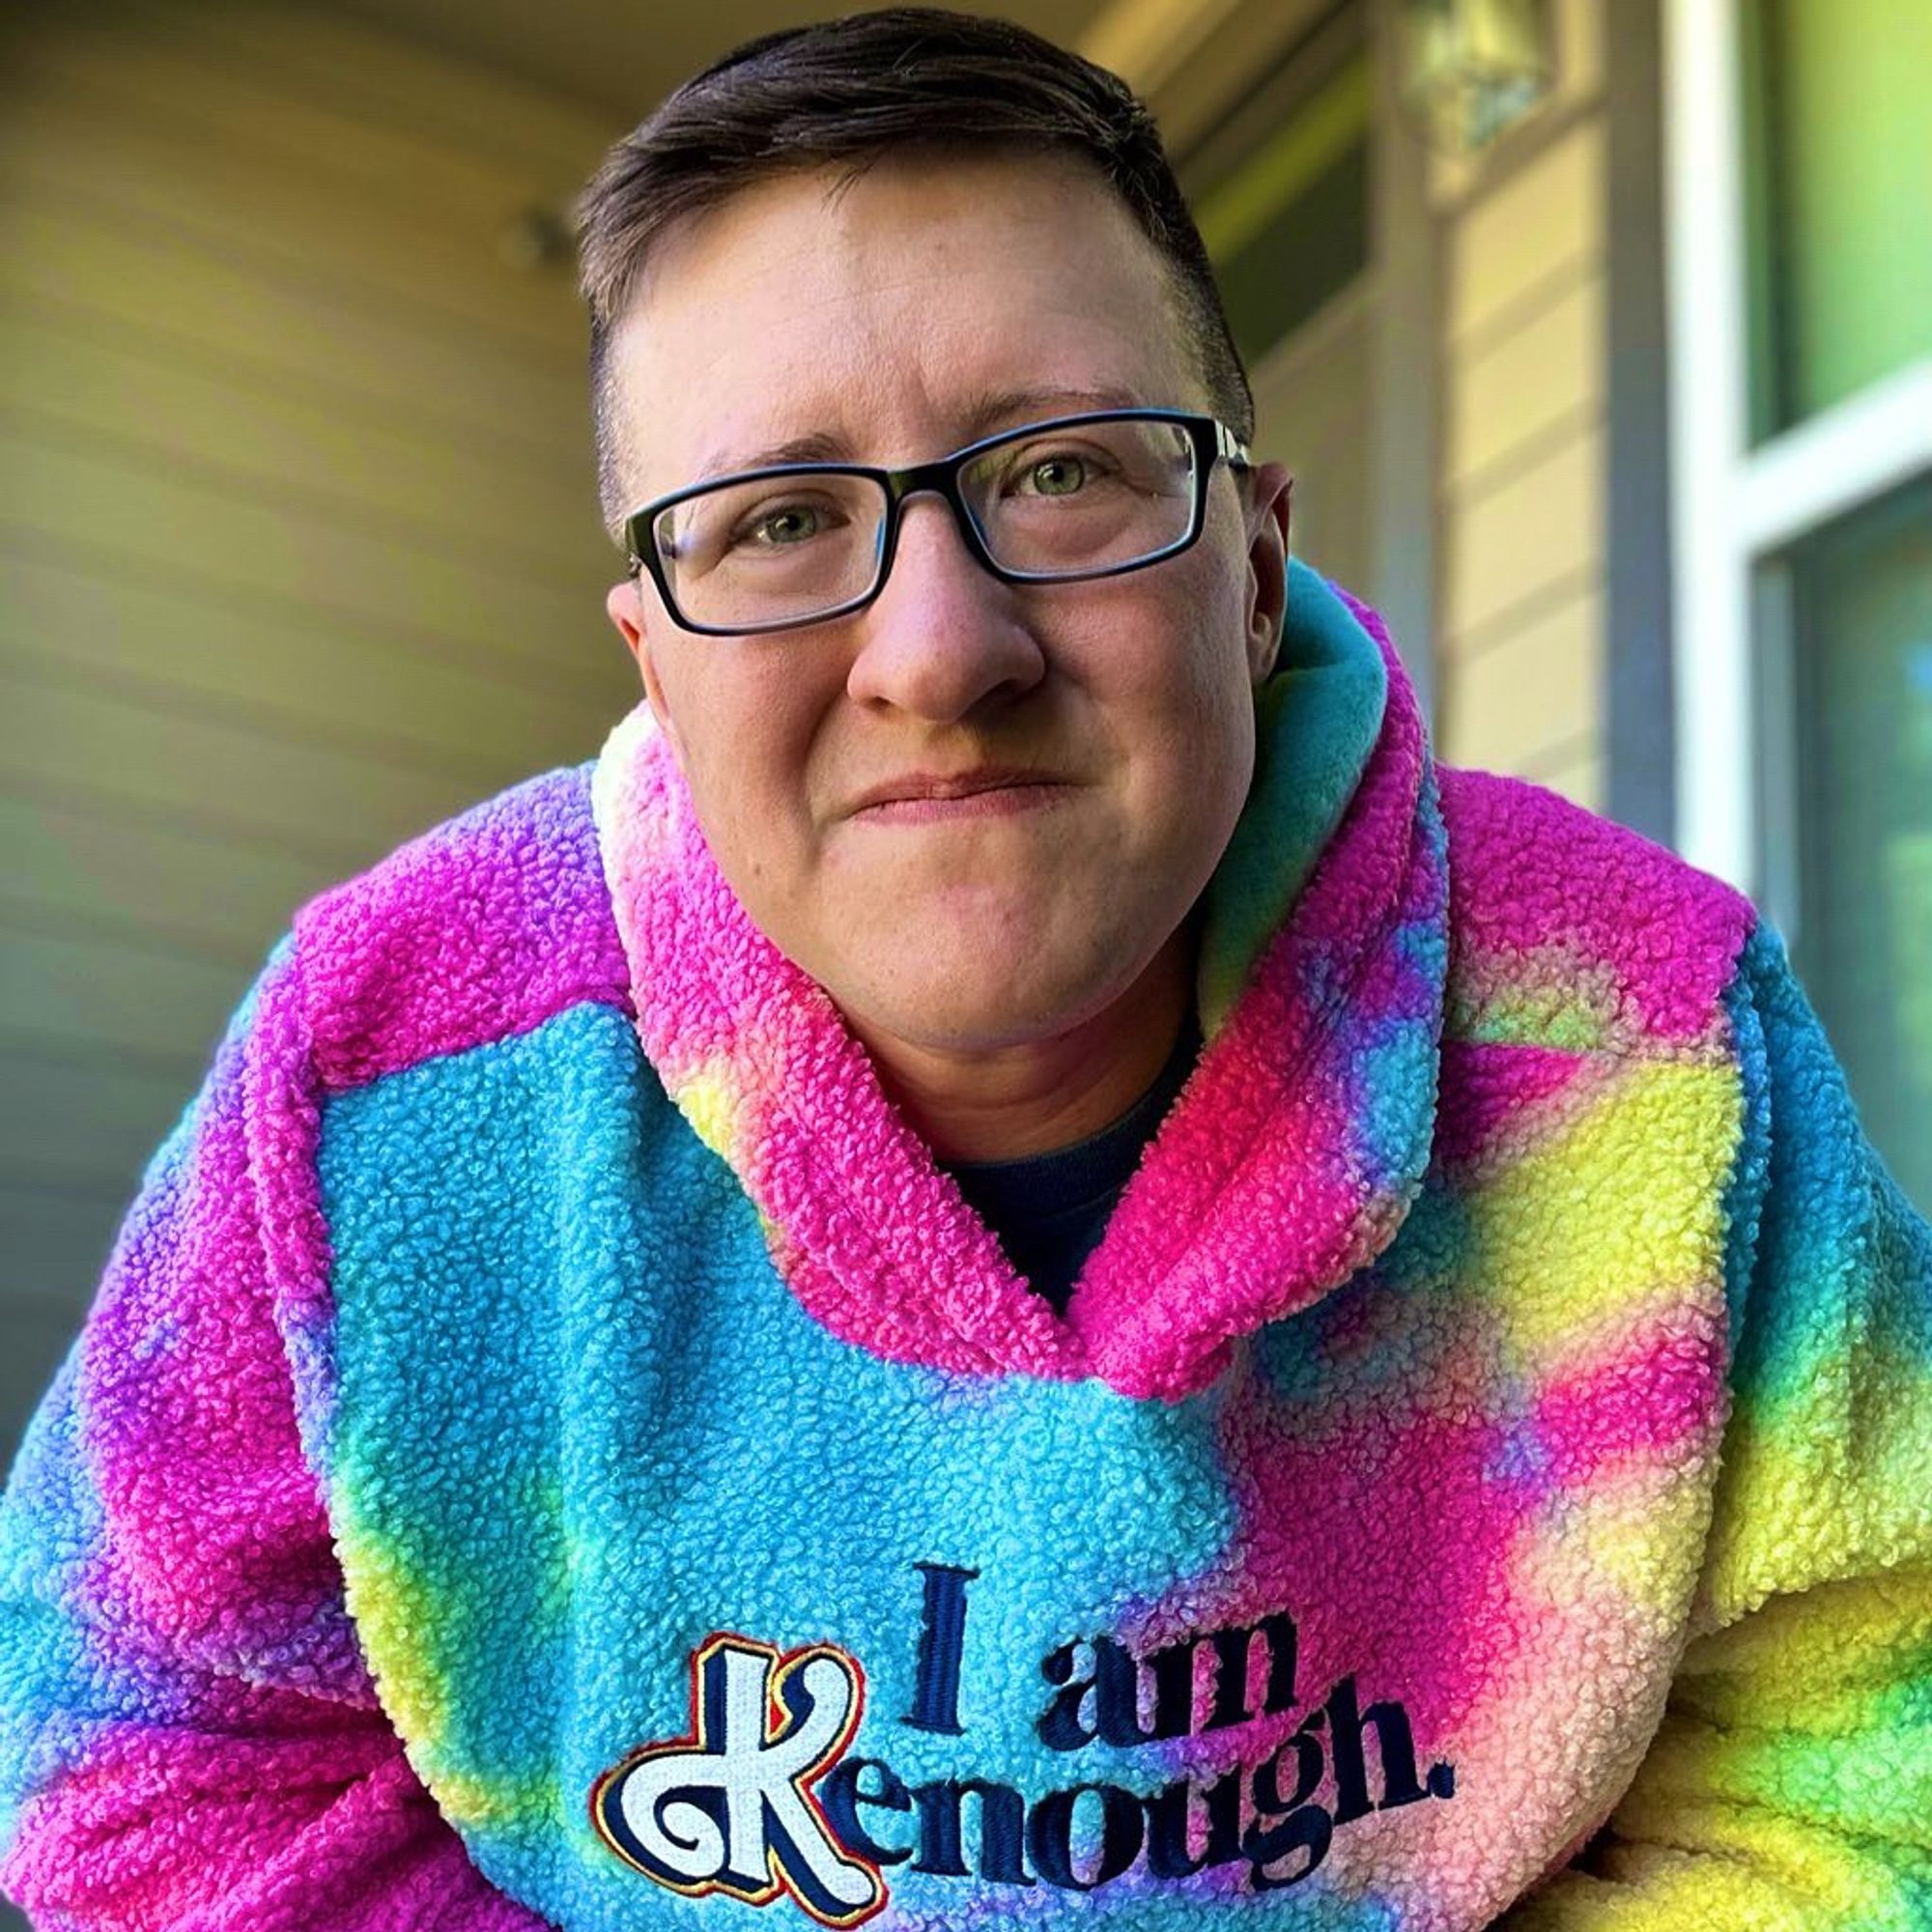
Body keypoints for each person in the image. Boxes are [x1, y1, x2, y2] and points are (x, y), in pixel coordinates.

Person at [1, 9, 1927, 1928]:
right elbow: (137, 1757)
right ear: (654, 660)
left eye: (1066, 471)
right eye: (774, 521)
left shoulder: (1647, 1030)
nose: (938, 651)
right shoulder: (385, 1076)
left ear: (1251, 572)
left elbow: (1866, 1758)